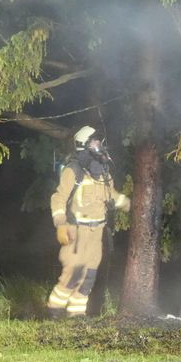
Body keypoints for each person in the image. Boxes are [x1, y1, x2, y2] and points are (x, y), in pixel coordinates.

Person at [47, 126, 129, 318]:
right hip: (77, 232)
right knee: (73, 274)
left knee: (88, 276)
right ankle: (54, 311)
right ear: (84, 144)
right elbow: (58, 198)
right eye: (94, 142)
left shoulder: (102, 172)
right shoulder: (73, 170)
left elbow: (111, 195)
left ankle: (76, 314)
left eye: (99, 142)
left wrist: (127, 203)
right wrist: (61, 223)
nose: (99, 145)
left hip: (97, 231)